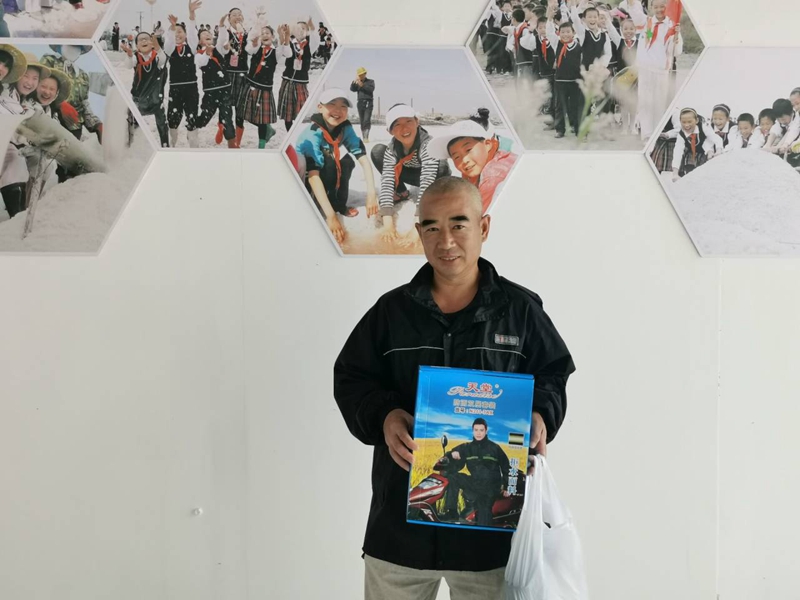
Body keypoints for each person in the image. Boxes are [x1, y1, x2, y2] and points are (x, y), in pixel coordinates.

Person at [333, 175, 575, 600]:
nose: (445, 241)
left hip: (492, 542)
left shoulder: (520, 311)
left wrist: (540, 413)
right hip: (399, 533)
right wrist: (385, 416)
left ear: (484, 227)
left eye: (459, 224)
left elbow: (553, 374)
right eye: (431, 227)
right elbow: (352, 378)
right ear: (419, 232)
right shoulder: (390, 312)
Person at [293, 88, 378, 245]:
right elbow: (313, 177)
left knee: (347, 161)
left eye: (343, 106)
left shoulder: (344, 128)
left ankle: (338, 204)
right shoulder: (312, 133)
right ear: (320, 107)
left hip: (323, 170)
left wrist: (371, 195)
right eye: (332, 104)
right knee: (329, 161)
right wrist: (331, 218)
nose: (338, 111)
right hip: (306, 178)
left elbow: (363, 159)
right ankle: (318, 205)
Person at [370, 103, 451, 241]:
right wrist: (388, 225)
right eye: (397, 124)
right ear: (390, 131)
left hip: (434, 175)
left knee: (441, 165)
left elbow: (427, 179)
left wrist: (418, 225)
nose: (405, 128)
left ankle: (439, 195)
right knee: (378, 151)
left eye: (408, 121)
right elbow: (387, 181)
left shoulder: (427, 144)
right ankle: (401, 192)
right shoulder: (392, 149)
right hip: (412, 174)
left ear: (417, 122)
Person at [428, 120, 518, 214]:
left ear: (487, 144)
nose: (464, 160)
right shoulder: (481, 165)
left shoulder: (493, 176)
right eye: (456, 157)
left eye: (468, 150)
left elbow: (480, 219)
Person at [441, 418, 511, 527]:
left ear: (486, 431)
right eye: (476, 430)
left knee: (483, 511)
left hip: (490, 487)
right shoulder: (467, 447)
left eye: (481, 430)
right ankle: (452, 512)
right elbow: (450, 456)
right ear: (472, 431)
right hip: (474, 482)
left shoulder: (494, 448)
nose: (478, 433)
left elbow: (506, 467)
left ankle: (484, 530)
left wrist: (507, 486)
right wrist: (452, 454)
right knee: (454, 477)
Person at [636, 0, 682, 140]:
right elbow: (633, 10)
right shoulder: (646, 22)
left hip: (661, 71)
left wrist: (676, 38)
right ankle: (646, 134)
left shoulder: (672, 25)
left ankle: (656, 134)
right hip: (645, 69)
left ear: (667, 7)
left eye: (662, 6)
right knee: (645, 103)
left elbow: (676, 52)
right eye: (656, 7)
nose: (659, 9)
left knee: (658, 104)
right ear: (651, 8)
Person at [40, 45, 103, 143]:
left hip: (73, 130)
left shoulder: (82, 75)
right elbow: (39, 89)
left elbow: (84, 104)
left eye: (78, 46)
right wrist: (60, 103)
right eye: (71, 44)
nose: (74, 48)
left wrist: (97, 124)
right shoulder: (49, 61)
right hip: (49, 124)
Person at [241, 23, 289, 149]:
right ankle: (269, 129)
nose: (265, 35)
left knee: (261, 120)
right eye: (262, 33)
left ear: (272, 37)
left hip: (264, 89)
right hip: (251, 86)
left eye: (267, 33)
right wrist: (254, 42)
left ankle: (261, 145)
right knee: (246, 115)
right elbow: (249, 49)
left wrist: (282, 35)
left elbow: (283, 48)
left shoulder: (275, 52)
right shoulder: (256, 48)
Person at [194, 15, 236, 148]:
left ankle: (232, 145)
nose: (207, 35)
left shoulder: (218, 49)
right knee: (204, 117)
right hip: (210, 92)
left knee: (228, 118)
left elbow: (222, 38)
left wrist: (222, 25)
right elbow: (202, 62)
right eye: (204, 35)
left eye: (209, 34)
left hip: (225, 89)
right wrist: (207, 53)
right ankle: (192, 128)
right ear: (199, 41)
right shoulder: (198, 54)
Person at [164, 2, 202, 148]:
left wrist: (192, 15)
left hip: (191, 89)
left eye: (180, 31)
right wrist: (172, 27)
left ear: (185, 35)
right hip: (175, 89)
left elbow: (193, 33)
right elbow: (168, 43)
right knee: (173, 118)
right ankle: (172, 141)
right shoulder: (170, 49)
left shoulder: (191, 47)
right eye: (175, 32)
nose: (177, 34)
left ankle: (193, 141)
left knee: (192, 117)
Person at [124, 31, 169, 147]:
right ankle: (130, 146)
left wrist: (157, 46)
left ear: (152, 43)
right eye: (140, 39)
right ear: (137, 46)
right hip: (139, 100)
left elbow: (163, 60)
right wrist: (129, 55)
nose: (144, 41)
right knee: (131, 123)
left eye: (146, 39)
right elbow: (129, 65)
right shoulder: (136, 58)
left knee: (162, 123)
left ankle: (165, 145)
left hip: (155, 99)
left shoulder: (156, 56)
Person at [277, 17, 319, 133]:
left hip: (301, 82)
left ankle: (299, 134)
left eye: (304, 28)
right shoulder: (290, 42)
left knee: (301, 112)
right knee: (288, 114)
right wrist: (284, 35)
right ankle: (290, 135)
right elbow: (285, 52)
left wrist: (312, 26)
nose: (301, 30)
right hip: (288, 80)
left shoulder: (310, 44)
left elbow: (316, 39)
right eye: (299, 28)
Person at [545, 17, 583, 139]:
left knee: (575, 106)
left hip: (575, 81)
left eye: (568, 32)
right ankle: (560, 129)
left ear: (573, 32)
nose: (565, 34)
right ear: (559, 33)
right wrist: (549, 19)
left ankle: (576, 128)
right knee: (560, 106)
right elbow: (549, 32)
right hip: (560, 81)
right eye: (563, 32)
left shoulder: (578, 45)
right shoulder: (557, 43)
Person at [671, 107, 723, 181]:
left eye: (689, 122)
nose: (686, 125)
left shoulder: (703, 127)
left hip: (707, 151)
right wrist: (675, 173)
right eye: (683, 122)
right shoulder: (681, 134)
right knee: (686, 163)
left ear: (696, 120)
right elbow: (677, 152)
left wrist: (718, 150)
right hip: (693, 153)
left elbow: (717, 139)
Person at [349, 66, 374, 142]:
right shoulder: (358, 82)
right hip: (360, 103)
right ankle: (364, 136)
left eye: (362, 74)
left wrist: (362, 85)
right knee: (362, 120)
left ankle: (366, 136)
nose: (361, 76)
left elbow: (371, 89)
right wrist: (354, 83)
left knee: (366, 119)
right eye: (359, 75)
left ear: (365, 74)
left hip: (368, 102)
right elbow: (352, 89)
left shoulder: (370, 82)